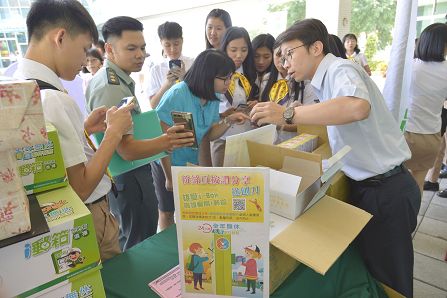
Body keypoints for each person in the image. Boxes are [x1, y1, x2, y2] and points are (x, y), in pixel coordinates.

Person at [250, 19, 420, 298]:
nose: (285, 62)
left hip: (387, 190)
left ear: (316, 47)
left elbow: (356, 107)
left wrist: (289, 114)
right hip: (373, 186)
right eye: (281, 56)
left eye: (289, 53)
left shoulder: (341, 68)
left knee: (392, 280)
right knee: (376, 271)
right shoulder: (325, 80)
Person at [15, 0, 136, 261]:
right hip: (89, 216)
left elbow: (50, 159)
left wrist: (83, 130)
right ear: (60, 37)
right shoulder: (54, 98)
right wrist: (113, 133)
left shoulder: (19, 86)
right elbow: (79, 186)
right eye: (83, 49)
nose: (84, 60)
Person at [86, 16, 194, 251]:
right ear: (109, 49)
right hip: (129, 176)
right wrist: (168, 140)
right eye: (131, 48)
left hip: (133, 173)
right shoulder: (110, 86)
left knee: (139, 235)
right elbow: (126, 150)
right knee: (138, 244)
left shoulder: (120, 81)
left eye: (143, 48)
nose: (140, 54)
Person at [155, 49, 249, 214]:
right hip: (168, 164)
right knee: (168, 213)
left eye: (230, 77)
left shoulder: (213, 96)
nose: (229, 82)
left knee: (190, 212)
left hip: (190, 163)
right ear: (208, 75)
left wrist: (229, 120)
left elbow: (210, 133)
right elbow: (161, 142)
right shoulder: (177, 95)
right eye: (225, 78)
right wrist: (169, 177)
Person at [142, 21, 195, 231]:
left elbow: (198, 98)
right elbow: (153, 105)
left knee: (191, 203)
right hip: (164, 139)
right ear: (161, 45)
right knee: (165, 206)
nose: (173, 49)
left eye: (176, 44)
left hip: (189, 137)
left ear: (182, 41)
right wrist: (167, 83)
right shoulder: (155, 69)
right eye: (168, 45)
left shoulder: (193, 63)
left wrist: (184, 80)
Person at [404, 23, 447, 193]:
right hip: (431, 135)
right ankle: (411, 218)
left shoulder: (410, 67)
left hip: (405, 133)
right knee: (418, 183)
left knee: (396, 183)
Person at [210, 26, 258, 167]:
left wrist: (254, 104)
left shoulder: (250, 72)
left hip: (246, 133)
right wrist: (225, 115)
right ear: (224, 48)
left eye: (244, 50)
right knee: (222, 181)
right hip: (222, 136)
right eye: (233, 50)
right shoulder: (214, 72)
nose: (239, 55)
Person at [261, 44, 318, 144]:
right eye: (278, 55)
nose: (282, 60)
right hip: (268, 141)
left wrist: (277, 122)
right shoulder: (266, 79)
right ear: (272, 54)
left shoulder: (306, 80)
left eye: (288, 54)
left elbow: (311, 121)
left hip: (295, 143)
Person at [252, 33, 275, 100]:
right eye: (256, 56)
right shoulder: (244, 75)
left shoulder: (279, 77)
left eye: (266, 57)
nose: (261, 61)